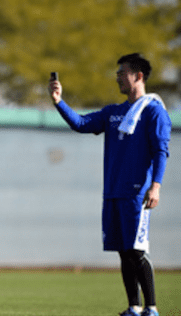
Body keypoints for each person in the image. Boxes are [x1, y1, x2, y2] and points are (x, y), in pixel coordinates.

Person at [49, 53, 170, 316]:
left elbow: (161, 151)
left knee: (137, 251)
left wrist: (156, 185)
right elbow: (81, 124)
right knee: (124, 253)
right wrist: (59, 102)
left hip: (136, 193)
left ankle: (151, 308)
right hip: (113, 193)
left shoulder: (154, 111)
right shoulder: (114, 113)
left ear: (138, 76)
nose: (117, 78)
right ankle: (134, 307)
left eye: (121, 73)